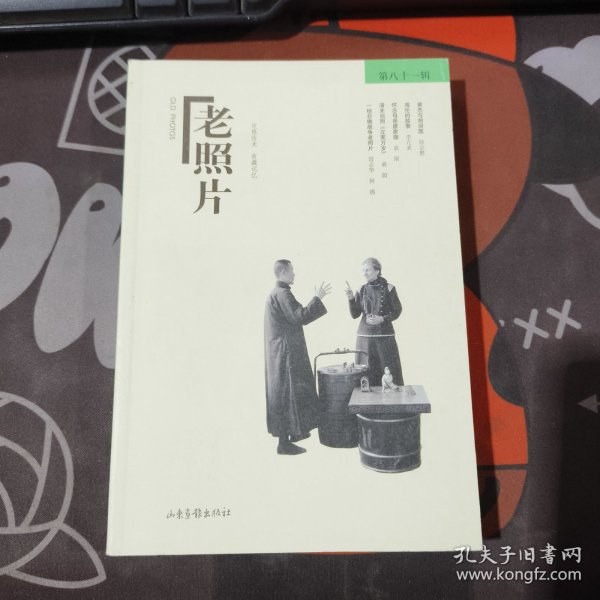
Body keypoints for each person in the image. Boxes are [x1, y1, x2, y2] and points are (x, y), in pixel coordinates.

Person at [264, 260, 332, 455]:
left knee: (286, 394)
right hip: (286, 354)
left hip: (280, 352)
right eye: (292, 270)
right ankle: (284, 444)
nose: (294, 274)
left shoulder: (276, 293)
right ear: (284, 271)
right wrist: (317, 298)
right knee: (288, 394)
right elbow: (300, 316)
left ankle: (291, 436)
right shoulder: (282, 293)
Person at [345, 257, 404, 387]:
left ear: (377, 271)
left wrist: (382, 319)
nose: (364, 273)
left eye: (368, 270)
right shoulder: (361, 288)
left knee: (388, 371)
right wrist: (351, 298)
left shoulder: (389, 288)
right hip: (364, 338)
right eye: (363, 270)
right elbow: (355, 314)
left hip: (384, 337)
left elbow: (397, 310)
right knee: (365, 373)